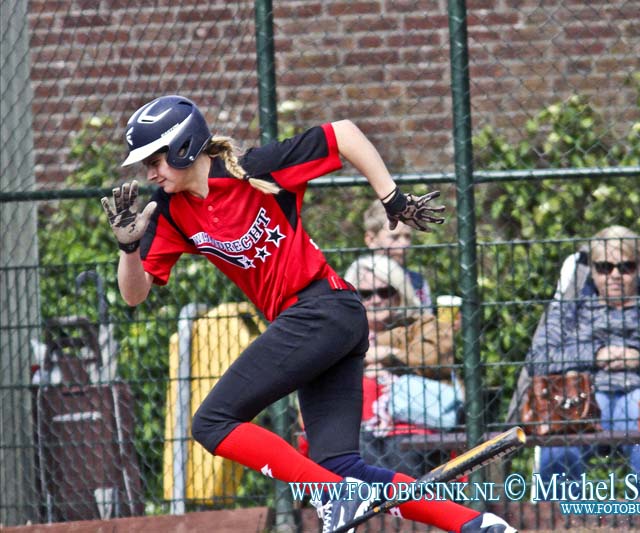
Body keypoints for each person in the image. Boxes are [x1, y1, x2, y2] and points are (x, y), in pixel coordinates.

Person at [101, 95, 514, 533]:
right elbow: (134, 294)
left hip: (322, 310)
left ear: (184, 145)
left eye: (156, 159)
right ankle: (477, 524)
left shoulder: (258, 169)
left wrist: (391, 197)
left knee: (211, 422)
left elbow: (345, 134)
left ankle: (333, 494)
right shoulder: (168, 210)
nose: (149, 172)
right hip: (319, 324)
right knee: (341, 466)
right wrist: (128, 248)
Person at [527, 225, 640, 486]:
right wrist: (595, 355)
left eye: (626, 267)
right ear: (591, 267)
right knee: (562, 426)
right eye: (604, 267)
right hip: (585, 397)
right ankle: (561, 519)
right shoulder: (569, 310)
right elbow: (537, 359)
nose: (615, 275)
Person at [343, 254, 459, 477]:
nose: (375, 300)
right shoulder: (343, 334)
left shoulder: (421, 324)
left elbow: (435, 358)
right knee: (356, 447)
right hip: (357, 428)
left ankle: (411, 509)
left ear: (399, 292)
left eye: (384, 292)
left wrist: (389, 354)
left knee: (401, 450)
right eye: (366, 294)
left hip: (414, 425)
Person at [363, 199, 433, 308]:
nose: (404, 244)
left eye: (407, 236)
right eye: (394, 237)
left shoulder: (417, 281)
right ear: (371, 240)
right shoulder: (358, 280)